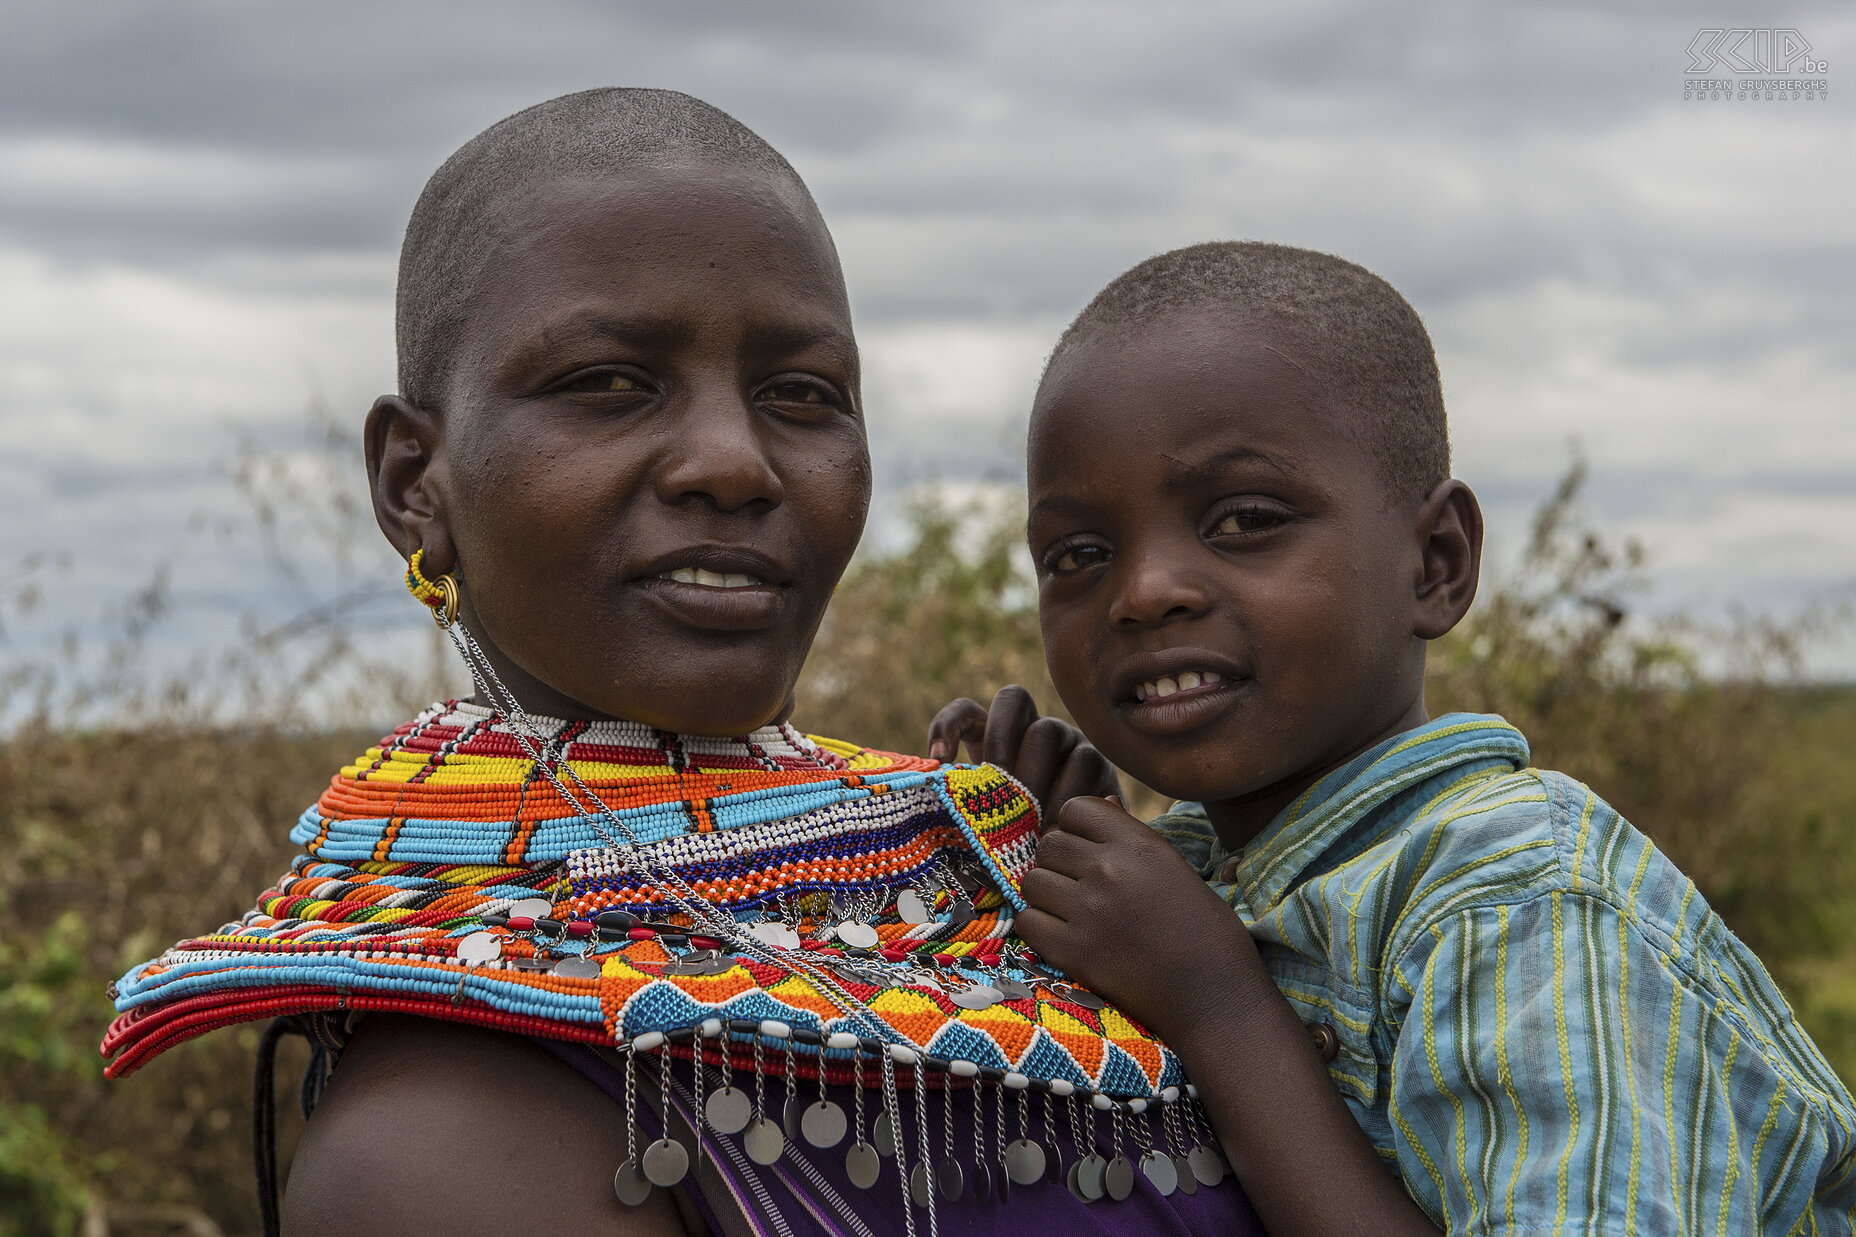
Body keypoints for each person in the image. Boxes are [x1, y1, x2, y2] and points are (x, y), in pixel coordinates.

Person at [102, 92, 1263, 1237]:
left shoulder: (987, 857)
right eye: (608, 382)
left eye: (800, 394)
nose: (732, 460)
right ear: (415, 481)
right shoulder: (439, 1149)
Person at [930, 241, 1856, 1235]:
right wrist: (1061, 846)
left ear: (1435, 565)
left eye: (1243, 519)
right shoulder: (1214, 872)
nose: (1145, 590)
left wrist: (1219, 1011)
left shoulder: (1516, 904)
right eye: (1078, 552)